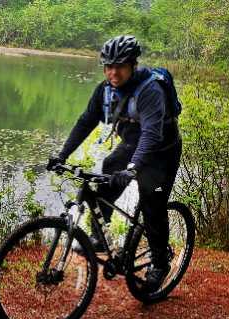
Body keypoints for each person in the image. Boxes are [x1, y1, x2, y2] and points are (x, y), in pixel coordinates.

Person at [47, 35, 182, 292]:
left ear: (132, 65)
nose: (112, 72)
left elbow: (151, 135)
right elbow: (86, 121)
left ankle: (160, 262)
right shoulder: (105, 90)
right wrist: (62, 155)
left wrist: (132, 170)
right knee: (107, 174)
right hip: (132, 143)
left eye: (119, 66)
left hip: (162, 150)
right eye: (108, 66)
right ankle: (100, 236)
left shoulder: (149, 91)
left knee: (152, 203)